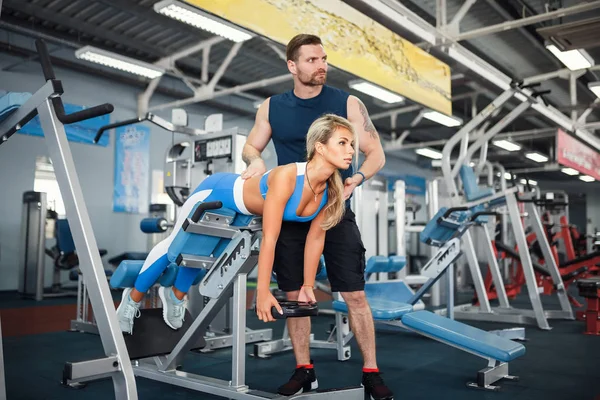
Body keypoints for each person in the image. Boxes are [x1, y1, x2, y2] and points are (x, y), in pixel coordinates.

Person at [241, 34, 391, 400]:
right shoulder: (272, 107)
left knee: (355, 295)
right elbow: (251, 145)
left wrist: (355, 178)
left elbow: (376, 154)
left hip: (334, 210)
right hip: (291, 213)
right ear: (292, 66)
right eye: (311, 60)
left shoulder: (347, 103)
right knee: (295, 296)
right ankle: (304, 369)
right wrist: (255, 160)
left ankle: (371, 372)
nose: (320, 65)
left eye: (323, 59)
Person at [116, 114, 355, 335]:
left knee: (204, 255)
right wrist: (262, 293)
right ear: (320, 147)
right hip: (218, 193)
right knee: (175, 248)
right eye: (343, 143)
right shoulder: (288, 177)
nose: (351, 150)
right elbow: (270, 239)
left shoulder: (330, 191)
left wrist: (308, 285)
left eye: (352, 144)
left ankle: (175, 297)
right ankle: (132, 299)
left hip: (244, 213)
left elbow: (315, 240)